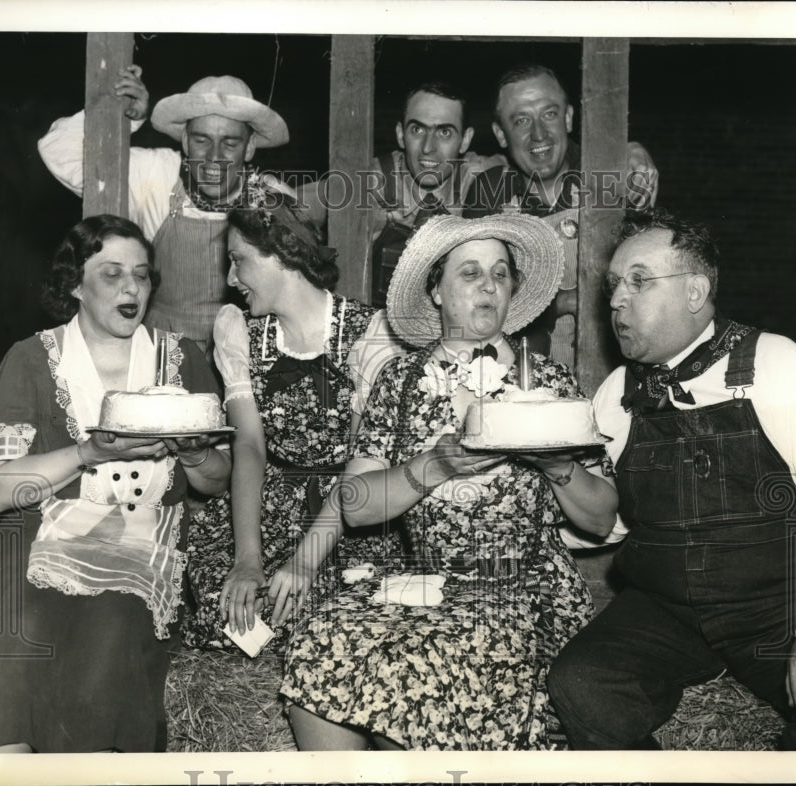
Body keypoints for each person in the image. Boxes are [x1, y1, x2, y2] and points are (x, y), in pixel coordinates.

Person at [279, 213, 619, 750]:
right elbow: (356, 505)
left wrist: (554, 462)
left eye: (501, 273)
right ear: (435, 290)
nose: (488, 284)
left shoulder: (549, 383)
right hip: (425, 582)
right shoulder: (401, 379)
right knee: (320, 641)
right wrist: (433, 467)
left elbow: (601, 518)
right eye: (469, 272)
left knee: (427, 667)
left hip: (519, 588)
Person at [546, 209, 796, 750]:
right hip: (666, 607)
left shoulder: (774, 363)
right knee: (581, 686)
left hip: (776, 608)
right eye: (613, 285)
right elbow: (607, 523)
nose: (616, 300)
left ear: (695, 291)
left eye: (639, 281)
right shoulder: (617, 393)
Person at [0, 215, 231, 753]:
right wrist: (89, 452)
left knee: (112, 624)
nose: (131, 287)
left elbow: (215, 482)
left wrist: (196, 453)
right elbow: (0, 491)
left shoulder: (183, 360)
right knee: (22, 638)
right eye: (111, 274)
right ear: (75, 286)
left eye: (142, 275)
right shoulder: (31, 360)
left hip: (139, 550)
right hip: (36, 546)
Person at [182, 185, 405, 651]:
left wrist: (304, 561)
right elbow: (250, 448)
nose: (231, 276)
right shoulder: (240, 333)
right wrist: (248, 558)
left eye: (238, 259)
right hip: (268, 504)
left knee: (333, 609)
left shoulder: (372, 334)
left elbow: (366, 465)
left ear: (280, 253)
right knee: (222, 600)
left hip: (348, 513)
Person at [38, 66, 290, 351]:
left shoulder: (272, 197)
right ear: (184, 140)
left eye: (230, 143)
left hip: (244, 354)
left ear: (250, 147)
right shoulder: (156, 174)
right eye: (201, 140)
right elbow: (56, 149)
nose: (214, 157)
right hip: (160, 351)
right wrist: (125, 118)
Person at [463, 63, 659, 369]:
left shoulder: (612, 176)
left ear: (568, 117)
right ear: (501, 134)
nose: (538, 134)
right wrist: (564, 301)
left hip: (611, 374)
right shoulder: (490, 192)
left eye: (549, 114)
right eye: (521, 120)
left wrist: (630, 150)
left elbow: (650, 285)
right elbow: (477, 299)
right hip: (520, 377)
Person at [296, 81, 505, 308]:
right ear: (400, 134)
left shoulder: (480, 177)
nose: (428, 148)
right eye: (417, 130)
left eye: (444, 132)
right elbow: (293, 203)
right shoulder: (371, 181)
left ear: (465, 140)